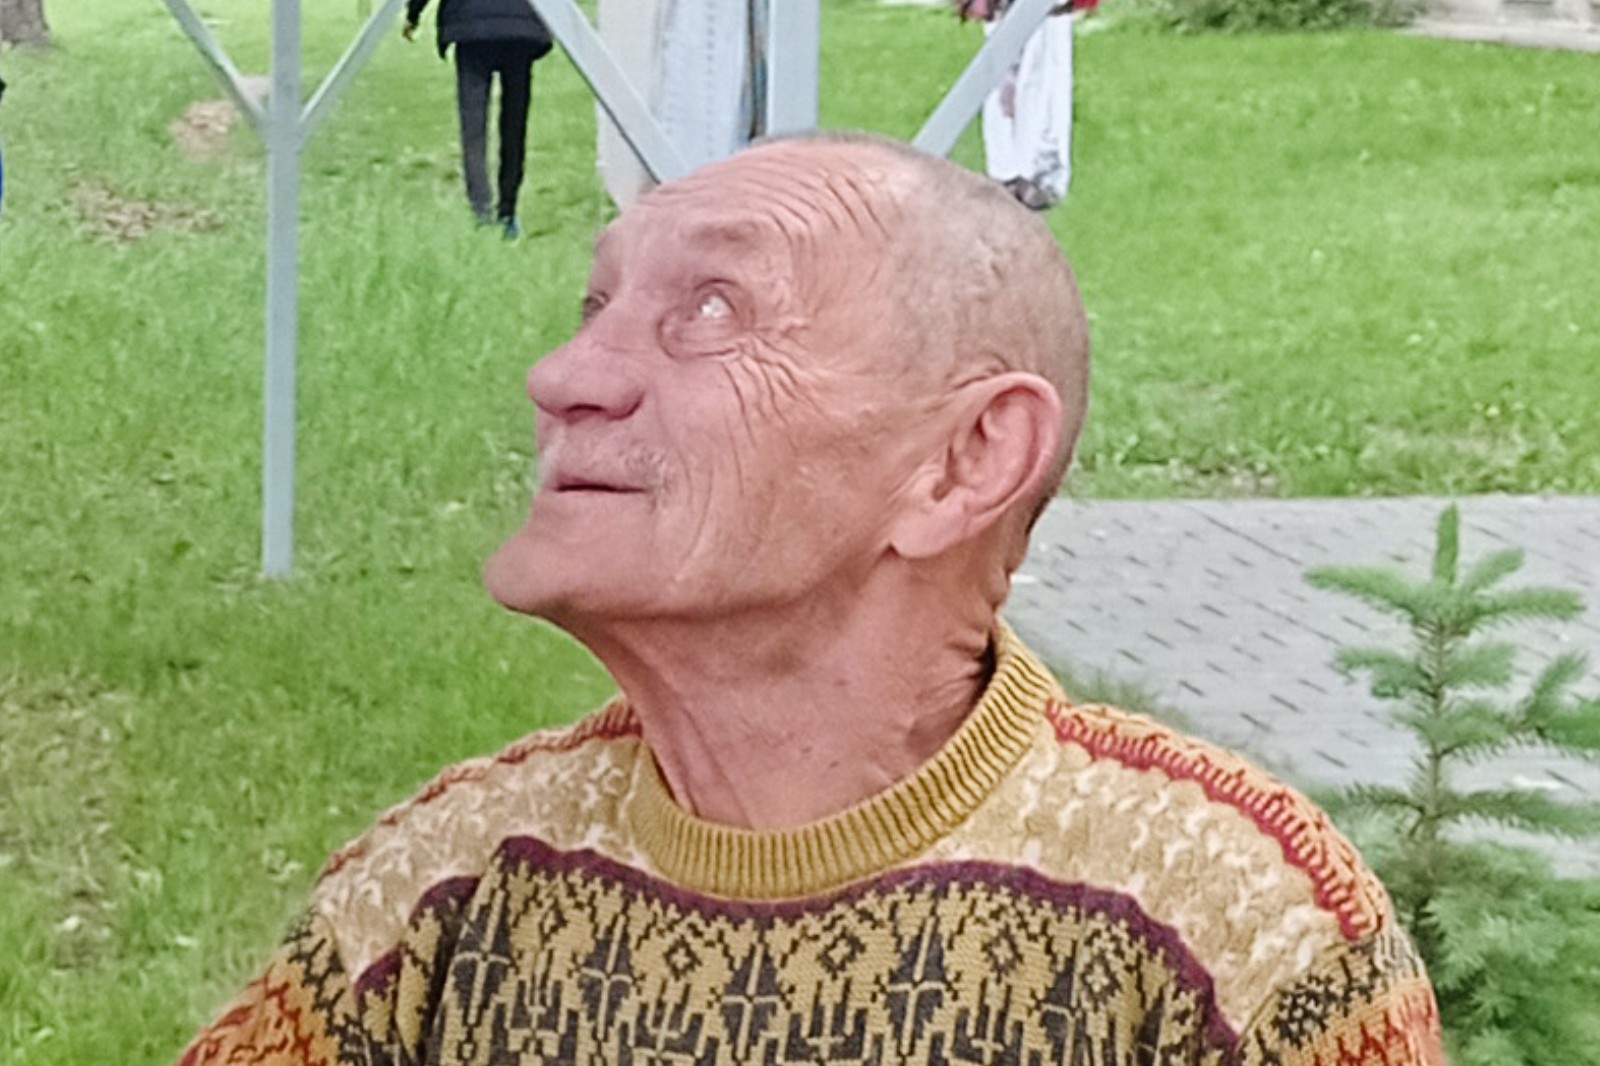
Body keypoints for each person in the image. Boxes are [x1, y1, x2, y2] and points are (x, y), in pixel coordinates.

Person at [176, 134, 1444, 1065]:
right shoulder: (443, 888)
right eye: (596, 305)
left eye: (709, 309)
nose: (562, 375)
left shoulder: (1227, 921)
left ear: (963, 462)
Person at [403, 0, 553, 239]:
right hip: (520, 24)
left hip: (469, 22)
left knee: (473, 128)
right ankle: (508, 211)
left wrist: (413, 14)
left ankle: (481, 211)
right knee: (514, 124)